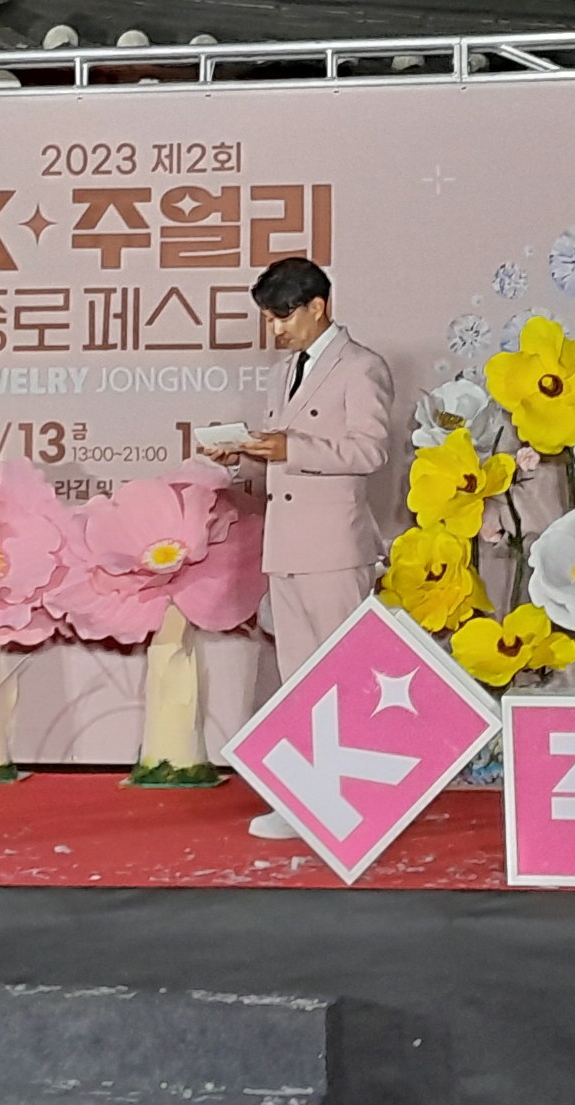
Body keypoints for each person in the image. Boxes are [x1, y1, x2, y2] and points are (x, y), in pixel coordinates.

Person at [205, 256, 394, 838]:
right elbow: (280, 460)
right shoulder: (283, 372)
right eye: (268, 319)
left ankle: (363, 798)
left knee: (345, 677)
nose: (276, 329)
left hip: (334, 547)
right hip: (285, 545)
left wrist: (292, 447)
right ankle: (307, 802)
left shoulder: (361, 366)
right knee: (299, 682)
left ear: (319, 306)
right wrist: (243, 456)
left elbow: (370, 451)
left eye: (284, 316)